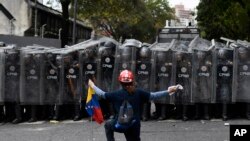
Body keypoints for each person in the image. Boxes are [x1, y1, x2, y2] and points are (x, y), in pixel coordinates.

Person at [88, 70, 181, 141]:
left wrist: (92, 85)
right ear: (132, 81)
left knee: (108, 125)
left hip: (119, 124)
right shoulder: (139, 93)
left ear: (120, 82)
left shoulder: (115, 94)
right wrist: (169, 91)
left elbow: (102, 94)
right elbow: (154, 95)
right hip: (134, 125)